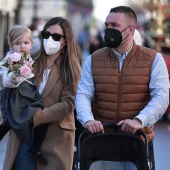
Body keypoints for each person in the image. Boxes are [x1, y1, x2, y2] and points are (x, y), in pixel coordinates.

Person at [75, 6, 169, 170]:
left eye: (114, 25)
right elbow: (83, 94)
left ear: (130, 29)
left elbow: (161, 96)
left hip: (137, 142)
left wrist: (139, 121)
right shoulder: (93, 59)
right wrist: (88, 120)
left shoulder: (153, 59)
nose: (108, 29)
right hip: (101, 141)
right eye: (107, 25)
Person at [3, 17, 82, 170]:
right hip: (24, 133)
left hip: (55, 137)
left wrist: (37, 116)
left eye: (56, 36)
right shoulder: (28, 60)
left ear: (65, 40)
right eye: (46, 34)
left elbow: (68, 104)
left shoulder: (71, 69)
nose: (49, 39)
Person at [0, 25, 48, 165]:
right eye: (17, 43)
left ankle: (35, 149)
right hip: (16, 96)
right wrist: (15, 77)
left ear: (31, 44)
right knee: (17, 121)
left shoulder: (28, 57)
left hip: (27, 94)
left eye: (26, 43)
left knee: (41, 118)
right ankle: (33, 149)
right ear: (11, 45)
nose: (22, 46)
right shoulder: (9, 59)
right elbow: (7, 81)